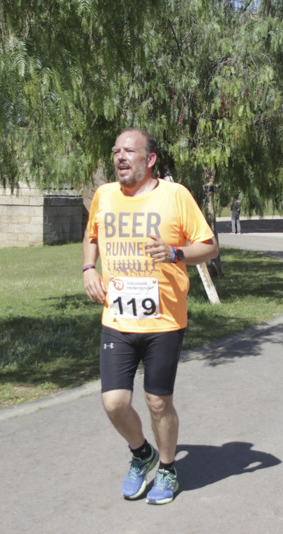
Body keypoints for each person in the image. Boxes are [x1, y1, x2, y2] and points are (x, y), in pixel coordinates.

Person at [82, 128, 218, 505]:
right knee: (114, 402)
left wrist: (175, 254)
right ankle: (143, 454)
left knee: (158, 402)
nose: (120, 157)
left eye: (129, 151)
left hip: (164, 321)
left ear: (150, 159)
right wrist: (88, 269)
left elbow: (209, 247)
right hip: (118, 319)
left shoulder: (176, 196)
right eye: (115, 151)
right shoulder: (104, 195)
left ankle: (169, 469)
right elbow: (91, 235)